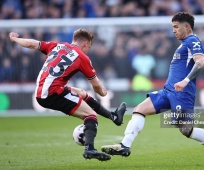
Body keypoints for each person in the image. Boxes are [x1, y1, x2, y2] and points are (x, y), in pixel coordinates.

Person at [101, 12, 204, 165]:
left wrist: (186, 81)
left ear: (186, 26)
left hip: (182, 93)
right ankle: (124, 146)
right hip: (168, 91)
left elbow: (201, 63)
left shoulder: (192, 40)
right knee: (139, 109)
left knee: (186, 130)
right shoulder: (188, 44)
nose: (173, 30)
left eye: (176, 27)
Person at [9, 29, 127, 161]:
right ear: (85, 43)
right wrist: (103, 92)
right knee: (90, 115)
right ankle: (90, 149)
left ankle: (114, 117)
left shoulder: (58, 46)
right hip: (52, 93)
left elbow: (32, 44)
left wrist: (15, 39)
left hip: (43, 89)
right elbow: (97, 86)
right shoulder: (82, 57)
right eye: (89, 46)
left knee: (81, 93)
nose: (88, 49)